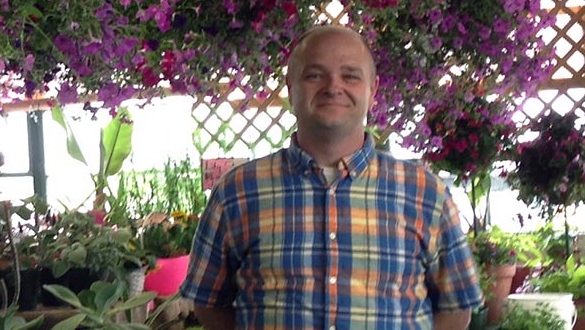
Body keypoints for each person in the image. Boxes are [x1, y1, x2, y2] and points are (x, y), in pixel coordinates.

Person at [179, 24, 483, 330]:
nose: (333, 86)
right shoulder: (237, 192)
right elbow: (209, 302)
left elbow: (456, 310)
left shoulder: (425, 193)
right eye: (314, 75)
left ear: (372, 90)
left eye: (350, 75)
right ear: (290, 87)